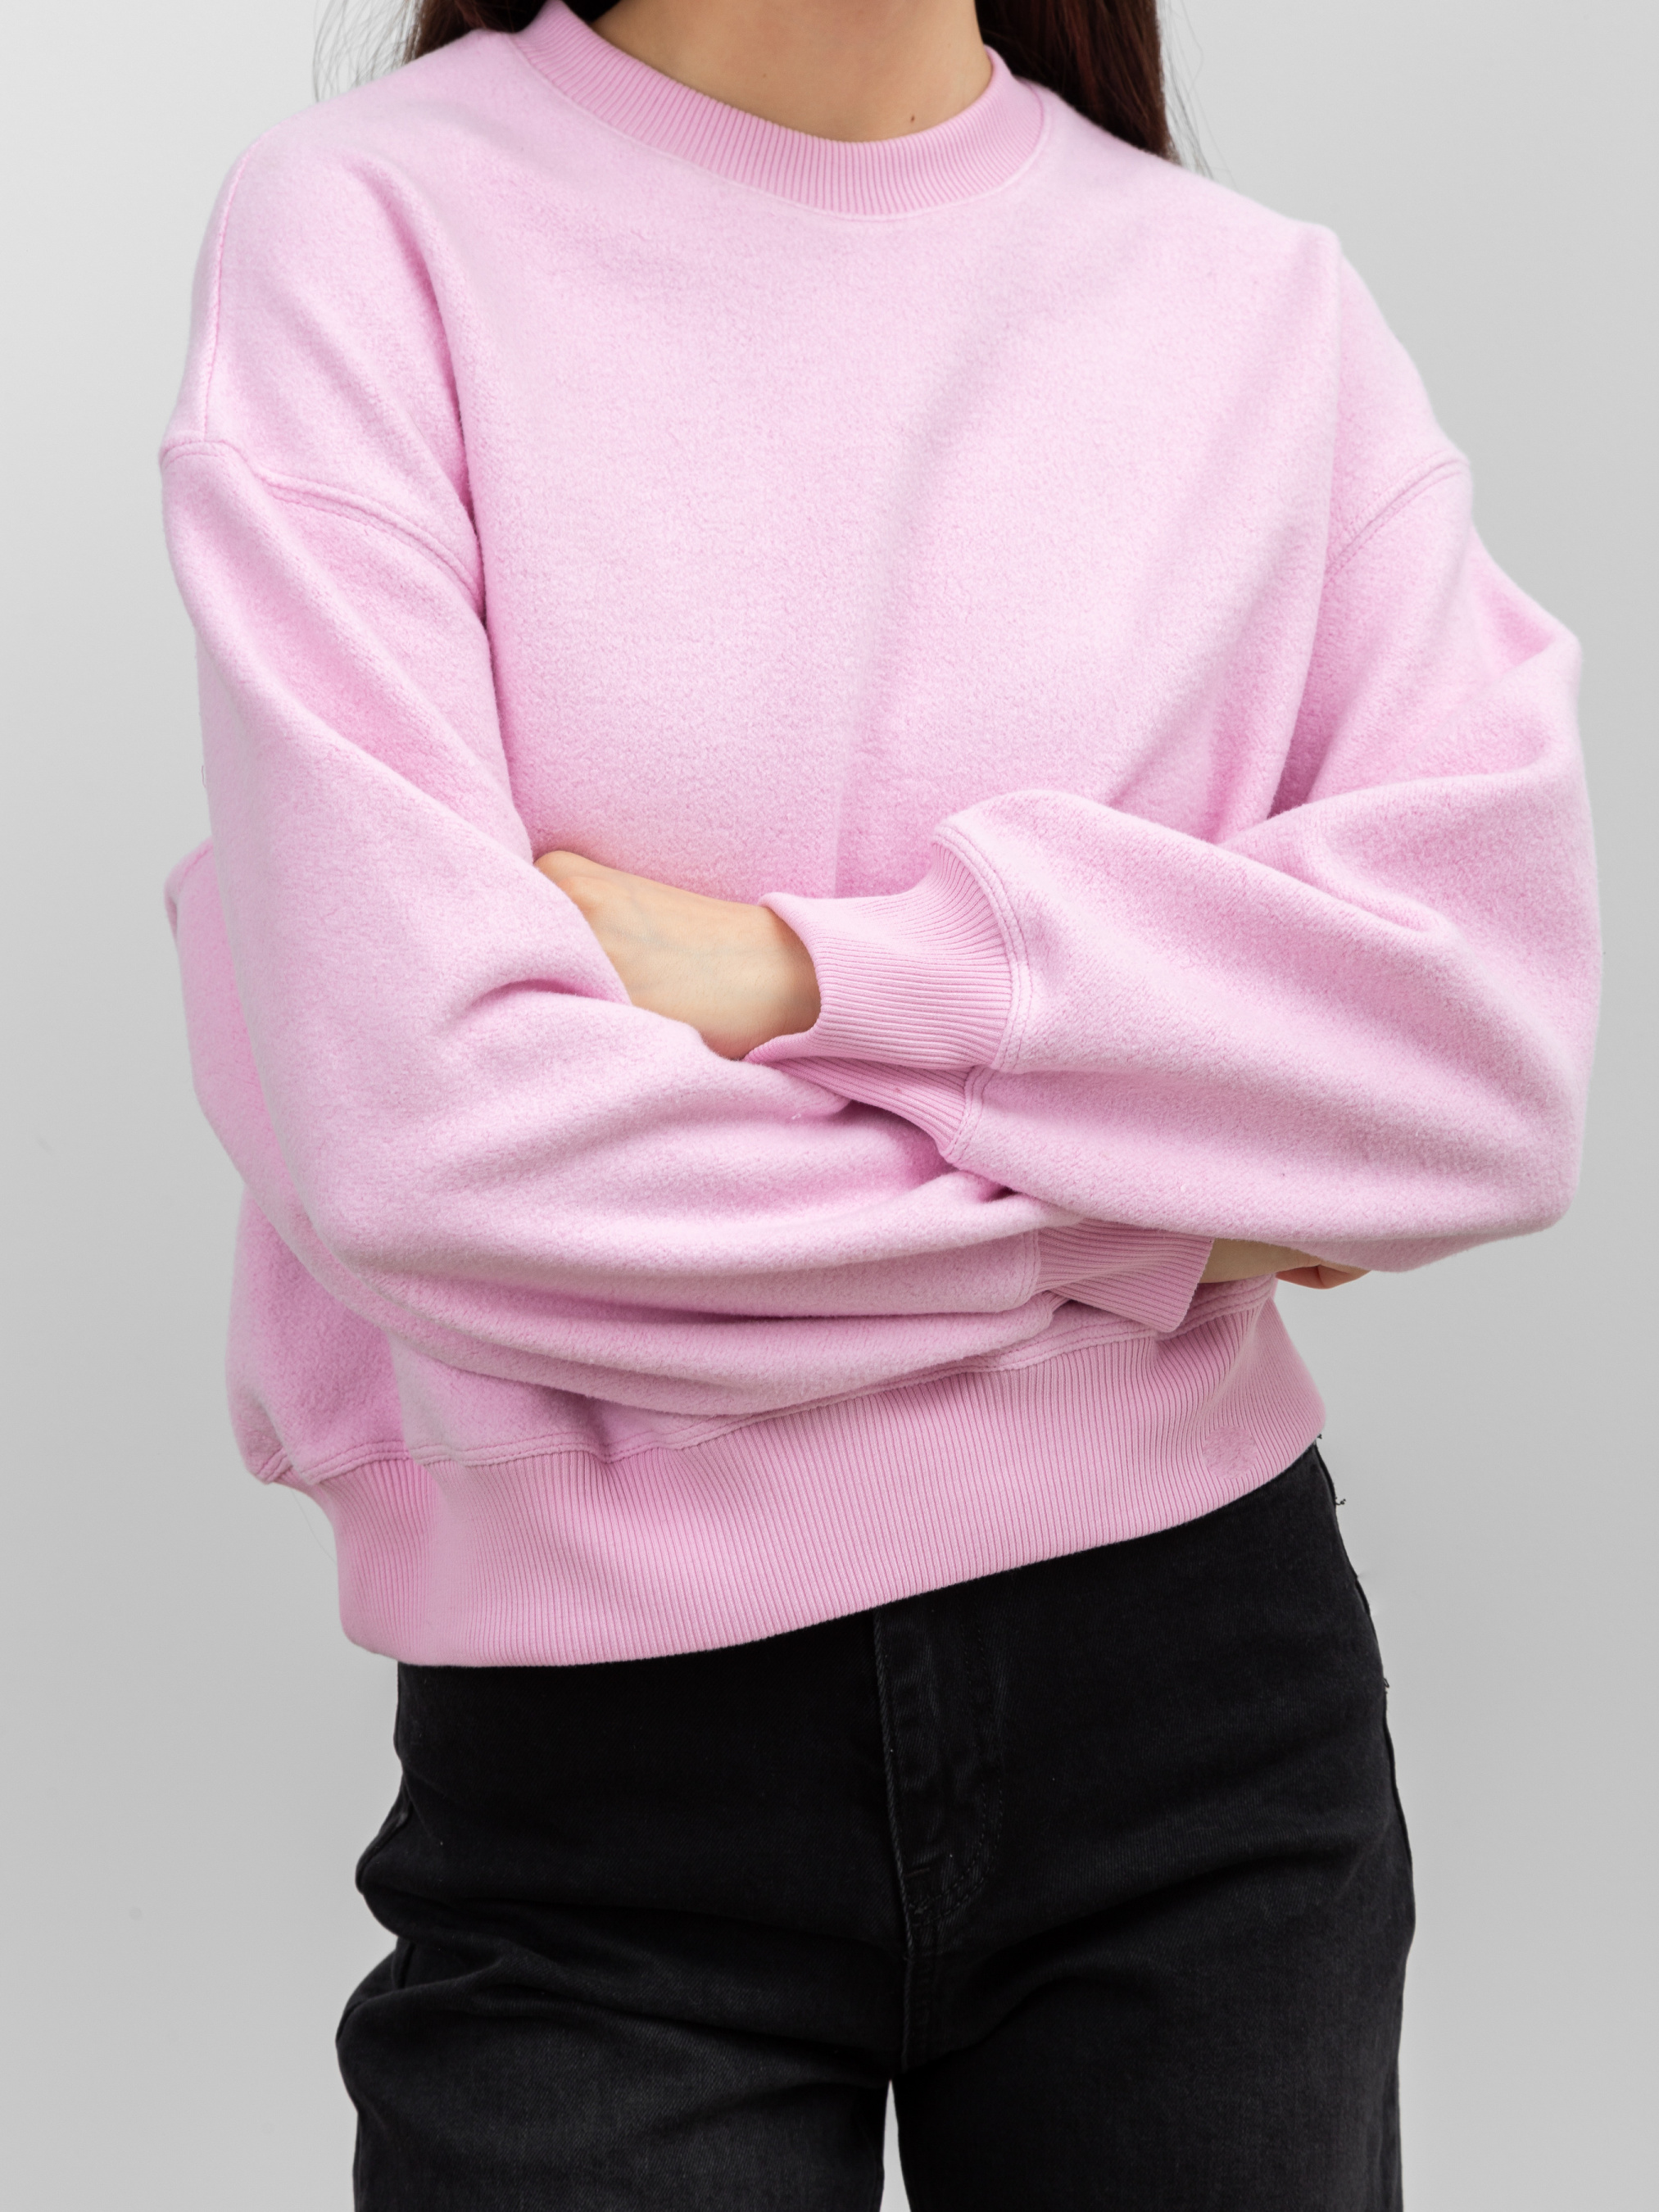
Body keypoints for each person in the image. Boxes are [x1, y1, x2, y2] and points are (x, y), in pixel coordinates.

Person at [160, 0, 1598, 2203]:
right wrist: (1165, 1203)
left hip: (1201, 1732)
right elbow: (432, 1145)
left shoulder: (1259, 315)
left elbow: (1482, 1063)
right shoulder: (376, 229)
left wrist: (811, 972)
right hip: (604, 1795)